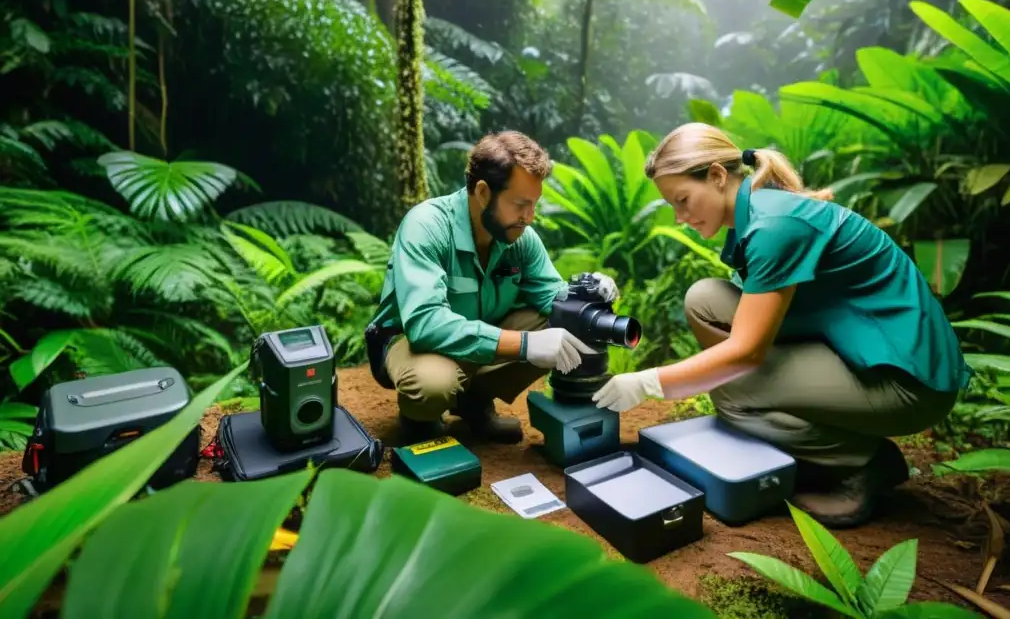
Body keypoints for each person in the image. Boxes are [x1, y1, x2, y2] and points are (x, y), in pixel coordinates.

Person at [592, 122, 970, 528]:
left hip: (908, 380)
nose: (681, 217)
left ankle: (862, 461)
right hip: (858, 345)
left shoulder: (773, 226)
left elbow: (746, 351)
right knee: (704, 300)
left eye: (683, 200)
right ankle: (802, 425)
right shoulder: (762, 211)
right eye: (673, 206)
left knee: (731, 390)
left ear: (718, 176)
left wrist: (647, 383)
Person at [366, 131, 619, 445]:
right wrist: (526, 344)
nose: (529, 217)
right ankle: (421, 420)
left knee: (567, 323)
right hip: (412, 341)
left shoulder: (520, 238)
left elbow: (555, 298)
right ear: (483, 193)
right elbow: (425, 325)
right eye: (519, 204)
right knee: (432, 384)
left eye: (534, 205)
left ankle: (474, 405)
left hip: (481, 336)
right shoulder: (427, 226)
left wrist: (588, 293)